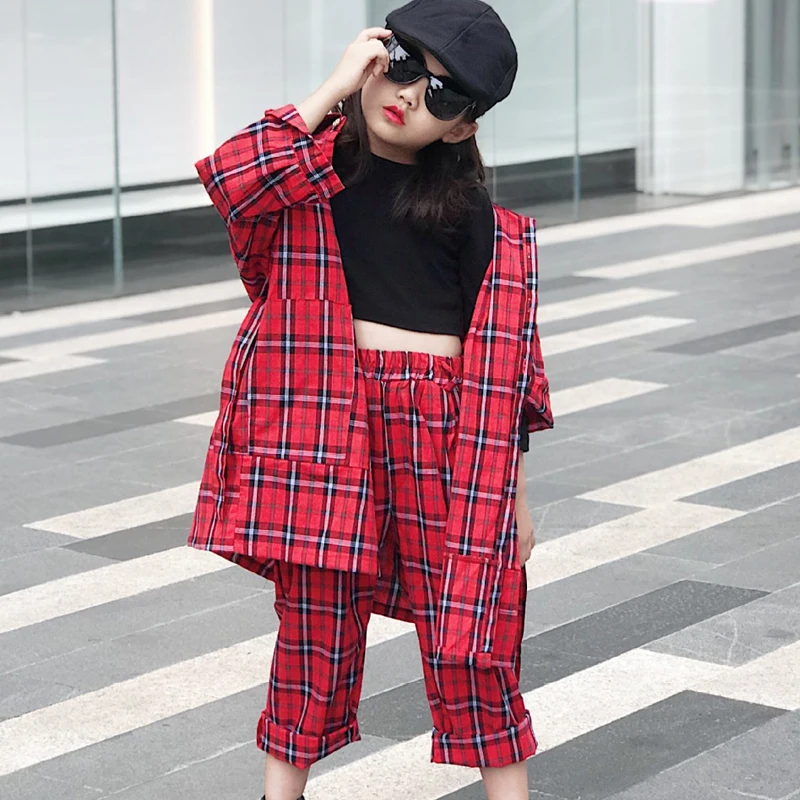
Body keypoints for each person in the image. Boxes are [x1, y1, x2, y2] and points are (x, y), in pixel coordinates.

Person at [188, 1, 553, 798]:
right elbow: (229, 177)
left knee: (474, 629)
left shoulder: (472, 213)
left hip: (442, 427)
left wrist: (516, 497)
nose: (411, 95)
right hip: (324, 418)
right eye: (404, 65)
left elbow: (507, 365)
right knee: (312, 632)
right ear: (374, 57)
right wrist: (331, 89)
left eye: (444, 96)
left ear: (462, 127)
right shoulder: (304, 176)